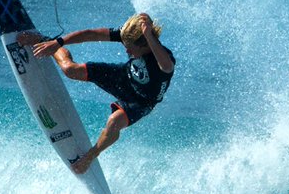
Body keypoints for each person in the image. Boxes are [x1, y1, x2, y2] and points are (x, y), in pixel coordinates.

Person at [21, 13, 175, 174]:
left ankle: (90, 156)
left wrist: (149, 35)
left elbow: (167, 67)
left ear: (145, 44)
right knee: (70, 70)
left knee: (114, 122)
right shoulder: (130, 36)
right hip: (123, 77)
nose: (126, 50)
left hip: (142, 102)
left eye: (130, 47)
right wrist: (58, 42)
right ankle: (45, 41)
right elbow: (90, 34)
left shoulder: (164, 60)